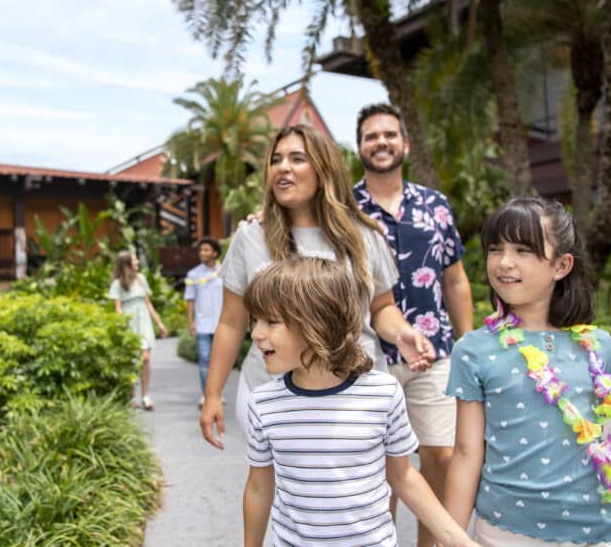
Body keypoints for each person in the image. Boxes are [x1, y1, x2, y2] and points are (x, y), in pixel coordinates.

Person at [201, 123, 435, 450]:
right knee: (277, 495)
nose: (282, 167)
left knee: (368, 493)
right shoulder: (251, 236)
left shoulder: (365, 236)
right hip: (271, 392)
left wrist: (402, 333)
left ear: (324, 169)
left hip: (356, 391)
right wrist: (212, 394)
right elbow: (231, 321)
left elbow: (381, 308)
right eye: (276, 159)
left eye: (297, 158)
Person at [444, 197, 611, 547]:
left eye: (524, 250)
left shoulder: (598, 346)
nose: (504, 262)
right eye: (495, 249)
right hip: (506, 532)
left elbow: (606, 435)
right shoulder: (474, 350)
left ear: (561, 265)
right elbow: (466, 453)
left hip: (600, 531)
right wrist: (447, 538)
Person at [243, 257, 483, 547]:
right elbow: (259, 488)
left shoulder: (382, 394)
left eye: (270, 321)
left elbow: (404, 477)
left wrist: (461, 542)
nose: (256, 333)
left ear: (317, 323)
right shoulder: (264, 404)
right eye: (255, 321)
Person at [354, 103, 474, 547]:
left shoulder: (435, 205)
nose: (380, 141)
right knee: (379, 466)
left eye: (389, 134)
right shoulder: (344, 208)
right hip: (366, 356)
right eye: (371, 136)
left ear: (404, 143)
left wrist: (468, 345)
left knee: (440, 455)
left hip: (434, 351)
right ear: (360, 147)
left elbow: (455, 278)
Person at [109, 249, 168, 410]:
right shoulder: (117, 284)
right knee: (130, 361)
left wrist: (159, 323)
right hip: (129, 322)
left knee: (145, 358)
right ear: (127, 264)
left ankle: (145, 395)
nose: (137, 262)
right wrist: (121, 325)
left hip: (144, 321)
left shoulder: (141, 279)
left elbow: (148, 303)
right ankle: (130, 396)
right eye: (134, 260)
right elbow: (118, 307)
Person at [183, 237, 224, 409]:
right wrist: (190, 322)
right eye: (201, 250)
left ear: (215, 253)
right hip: (203, 324)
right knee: (204, 360)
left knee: (220, 362)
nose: (202, 253)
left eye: (206, 250)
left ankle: (217, 394)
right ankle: (206, 395)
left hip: (222, 325)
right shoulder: (193, 274)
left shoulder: (225, 271)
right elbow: (190, 299)